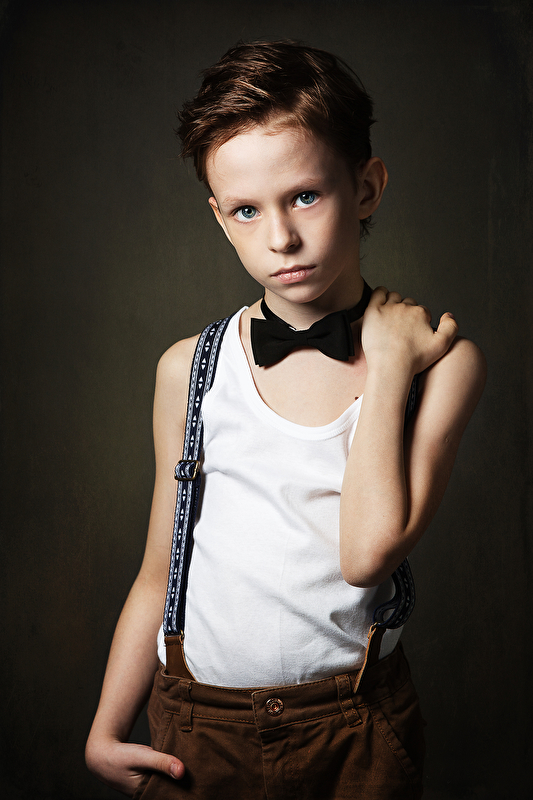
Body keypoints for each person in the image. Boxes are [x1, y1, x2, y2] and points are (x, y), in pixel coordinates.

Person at [85, 40, 486, 799]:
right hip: (198, 730)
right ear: (219, 217)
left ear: (365, 188)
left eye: (304, 196)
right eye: (246, 210)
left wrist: (389, 363)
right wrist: (107, 729)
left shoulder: (442, 366)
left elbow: (365, 555)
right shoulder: (188, 370)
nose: (280, 238)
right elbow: (157, 572)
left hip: (355, 733)